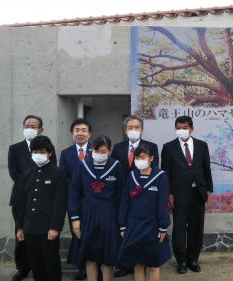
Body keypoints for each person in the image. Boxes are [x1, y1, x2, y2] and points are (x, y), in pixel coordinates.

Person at [161, 116, 213, 274]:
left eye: (184, 127)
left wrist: (208, 188)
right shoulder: (168, 147)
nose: (181, 130)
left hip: (198, 193)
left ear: (191, 128)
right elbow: (165, 173)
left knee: (196, 228)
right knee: (179, 229)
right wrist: (168, 193)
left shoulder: (202, 145)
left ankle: (193, 259)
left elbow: (206, 168)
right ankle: (181, 261)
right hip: (178, 195)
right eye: (178, 127)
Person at [68, 135, 124, 281]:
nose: (100, 153)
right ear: (92, 149)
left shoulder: (116, 166)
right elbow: (74, 192)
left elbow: (122, 195)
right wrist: (75, 218)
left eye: (104, 151)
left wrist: (122, 221)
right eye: (97, 150)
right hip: (88, 215)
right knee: (89, 256)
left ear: (110, 151)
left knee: (108, 258)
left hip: (110, 216)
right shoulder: (82, 165)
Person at [8, 115, 57, 281]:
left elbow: (53, 169)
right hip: (21, 199)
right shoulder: (15, 148)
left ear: (40, 129)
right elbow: (13, 172)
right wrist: (28, 184)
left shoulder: (48, 148)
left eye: (33, 126)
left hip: (44, 201)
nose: (30, 128)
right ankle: (23, 268)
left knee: (42, 242)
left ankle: (41, 269)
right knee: (22, 235)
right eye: (27, 125)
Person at [111, 115, 159, 277]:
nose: (133, 130)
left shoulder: (151, 146)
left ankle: (143, 263)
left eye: (136, 127)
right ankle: (126, 264)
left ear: (142, 129)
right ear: (125, 130)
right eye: (130, 127)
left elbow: (154, 173)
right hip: (122, 196)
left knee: (142, 232)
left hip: (143, 197)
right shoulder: (117, 148)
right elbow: (114, 171)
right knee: (124, 230)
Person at [16, 136, 68, 281]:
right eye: (35, 151)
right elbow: (23, 203)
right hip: (30, 228)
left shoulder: (58, 173)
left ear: (49, 153)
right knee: (36, 264)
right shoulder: (27, 174)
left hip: (48, 228)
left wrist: (55, 227)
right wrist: (20, 227)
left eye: (41, 151)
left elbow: (60, 203)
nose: (38, 154)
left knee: (51, 264)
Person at [117, 143, 171, 281]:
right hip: (134, 225)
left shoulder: (161, 177)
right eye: (137, 157)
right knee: (138, 264)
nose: (139, 160)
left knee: (153, 265)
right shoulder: (132, 176)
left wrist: (163, 227)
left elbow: (162, 205)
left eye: (143, 157)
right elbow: (125, 201)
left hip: (153, 226)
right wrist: (123, 225)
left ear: (151, 158)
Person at [59, 118, 93, 280]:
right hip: (74, 201)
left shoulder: (96, 151)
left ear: (89, 134)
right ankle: (81, 267)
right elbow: (63, 178)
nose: (80, 133)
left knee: (94, 234)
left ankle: (95, 266)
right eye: (77, 130)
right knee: (77, 233)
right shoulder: (66, 153)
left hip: (94, 201)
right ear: (72, 133)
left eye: (84, 130)